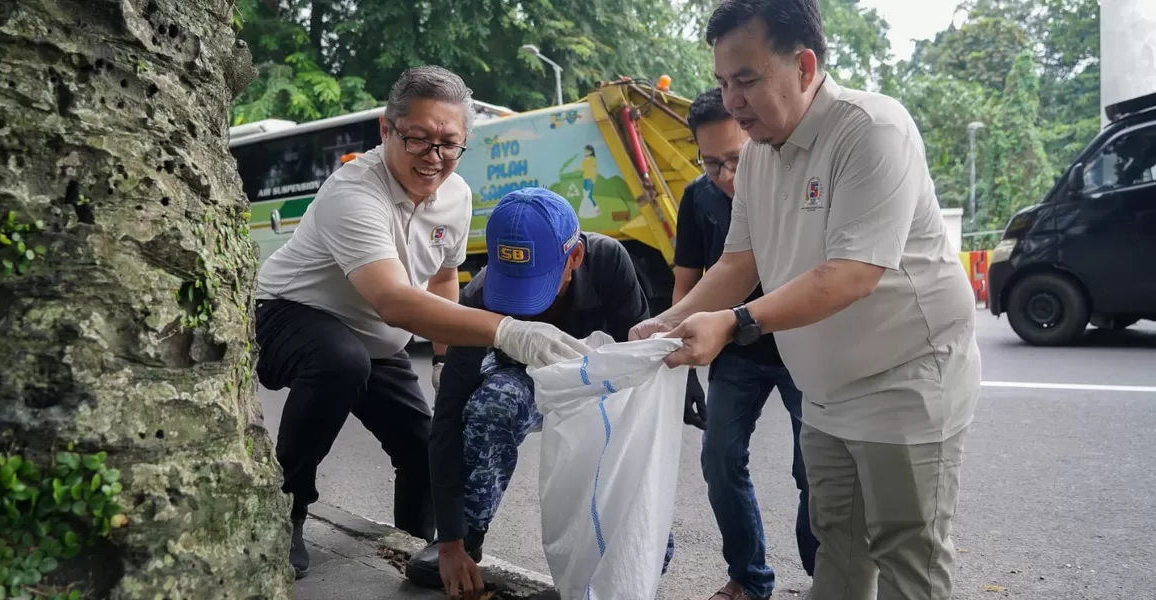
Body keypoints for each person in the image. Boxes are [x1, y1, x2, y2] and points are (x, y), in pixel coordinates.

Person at [630, 1, 982, 599]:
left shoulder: (870, 130)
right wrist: (663, 323)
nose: (733, 101)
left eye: (747, 79)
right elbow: (739, 263)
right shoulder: (759, 154)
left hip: (906, 381)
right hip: (824, 393)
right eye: (722, 82)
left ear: (804, 65)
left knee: (907, 556)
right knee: (836, 547)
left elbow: (851, 274)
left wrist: (735, 324)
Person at [254, 66, 591, 580]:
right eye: (419, 139)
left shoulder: (456, 197)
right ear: (386, 130)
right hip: (290, 314)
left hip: (373, 335)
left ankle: (418, 548)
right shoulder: (354, 193)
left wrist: (442, 357)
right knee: (339, 362)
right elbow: (392, 299)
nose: (434, 158)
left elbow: (442, 281)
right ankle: (286, 511)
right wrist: (509, 330)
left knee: (423, 441)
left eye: (449, 145)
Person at [402, 187, 671, 599]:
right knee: (491, 405)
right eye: (513, 287)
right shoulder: (477, 296)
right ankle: (469, 537)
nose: (525, 305)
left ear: (574, 257)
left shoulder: (609, 262)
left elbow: (635, 371)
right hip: (523, 378)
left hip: (598, 382)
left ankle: (613, 558)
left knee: (642, 515)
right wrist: (451, 540)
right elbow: (448, 415)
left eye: (538, 284)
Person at [675, 87, 818, 600]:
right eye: (712, 164)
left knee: (815, 467)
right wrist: (683, 362)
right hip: (736, 353)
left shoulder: (793, 183)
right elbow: (692, 281)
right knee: (719, 459)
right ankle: (748, 577)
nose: (726, 177)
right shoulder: (698, 199)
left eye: (735, 160)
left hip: (803, 347)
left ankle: (824, 570)